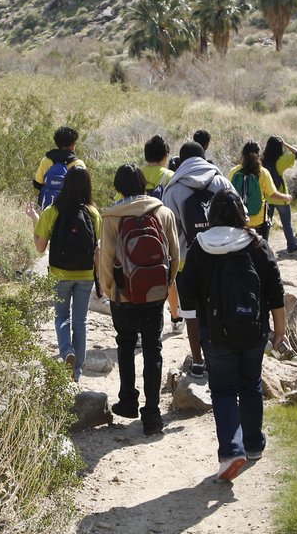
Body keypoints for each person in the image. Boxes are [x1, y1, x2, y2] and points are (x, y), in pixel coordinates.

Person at [179, 190, 286, 481]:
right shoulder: (256, 244)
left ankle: (231, 450)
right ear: (242, 213)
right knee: (251, 385)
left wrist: (195, 346)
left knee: (224, 391)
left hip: (215, 334)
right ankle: (253, 445)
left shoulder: (200, 247)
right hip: (253, 331)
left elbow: (187, 298)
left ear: (211, 215)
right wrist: (280, 330)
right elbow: (276, 290)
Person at [97, 164, 180, 435]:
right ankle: (153, 413)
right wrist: (166, 284)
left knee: (126, 346)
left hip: (123, 293)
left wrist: (109, 289)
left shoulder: (111, 217)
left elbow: (107, 259)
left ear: (118, 187)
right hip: (155, 294)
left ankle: (128, 401)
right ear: (144, 183)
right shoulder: (162, 211)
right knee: (153, 349)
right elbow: (175, 254)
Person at [163, 141, 235, 376]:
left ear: (181, 160)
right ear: (204, 157)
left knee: (192, 313)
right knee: (222, 305)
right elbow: (239, 215)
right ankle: (224, 353)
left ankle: (198, 361)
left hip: (188, 260)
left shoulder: (173, 189)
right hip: (222, 256)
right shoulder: (222, 181)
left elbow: (169, 230)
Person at [26, 166, 100, 382]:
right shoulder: (93, 213)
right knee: (80, 321)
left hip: (60, 273)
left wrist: (34, 220)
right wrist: (101, 281)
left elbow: (40, 248)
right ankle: (76, 373)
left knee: (61, 316)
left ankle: (66, 351)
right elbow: (97, 249)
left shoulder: (52, 211)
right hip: (85, 274)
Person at [140, 135, 183, 333]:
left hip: (137, 232)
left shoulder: (137, 173)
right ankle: (175, 318)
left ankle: (141, 326)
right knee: (168, 276)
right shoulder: (169, 176)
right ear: (166, 156)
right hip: (162, 231)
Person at [229, 141, 291, 241]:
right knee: (260, 252)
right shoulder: (263, 172)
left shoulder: (234, 171)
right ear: (258, 155)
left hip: (239, 220)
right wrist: (286, 197)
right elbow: (273, 194)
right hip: (258, 221)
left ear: (243, 154)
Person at [262, 136, 297, 253]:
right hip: (281, 197)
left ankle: (263, 248)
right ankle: (292, 246)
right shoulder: (281, 160)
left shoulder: (261, 160)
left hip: (267, 197)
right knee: (286, 224)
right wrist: (285, 144)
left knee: (265, 224)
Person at [33, 126, 86, 208]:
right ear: (73, 144)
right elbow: (83, 190)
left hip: (48, 207)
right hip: (69, 210)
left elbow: (38, 183)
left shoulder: (47, 160)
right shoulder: (78, 164)